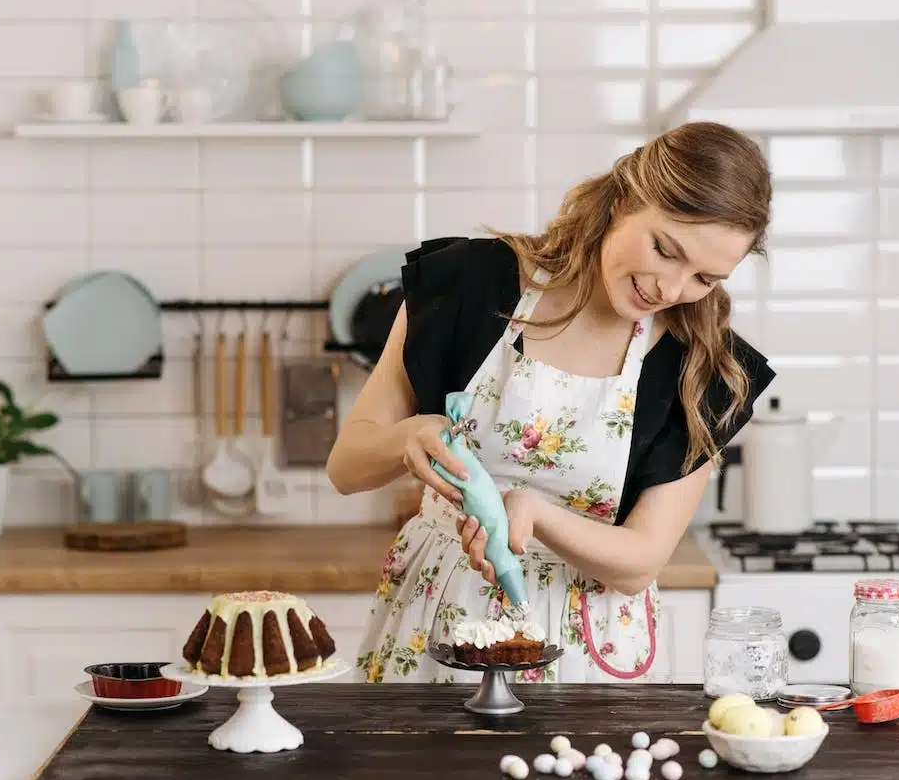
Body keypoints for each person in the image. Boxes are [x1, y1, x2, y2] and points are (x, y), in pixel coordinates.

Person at [326, 121, 778, 685]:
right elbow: (346, 467)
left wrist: (536, 513)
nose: (669, 289)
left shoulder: (704, 367)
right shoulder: (468, 285)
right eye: (665, 250)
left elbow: (641, 560)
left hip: (588, 650)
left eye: (704, 278)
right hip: (435, 619)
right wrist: (407, 436)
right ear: (624, 198)